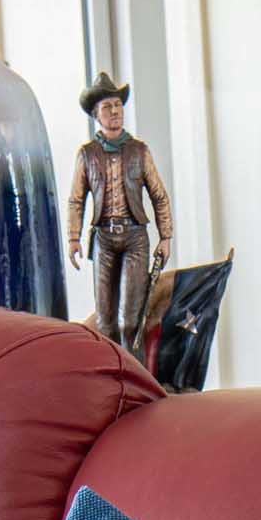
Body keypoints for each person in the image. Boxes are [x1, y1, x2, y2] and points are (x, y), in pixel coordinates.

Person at [67, 71, 172, 346]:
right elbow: (76, 199)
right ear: (96, 115)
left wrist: (166, 237)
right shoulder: (87, 155)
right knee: (105, 322)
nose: (114, 111)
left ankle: (134, 376)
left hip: (135, 236)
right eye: (107, 107)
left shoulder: (140, 151)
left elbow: (159, 196)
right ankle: (110, 380)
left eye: (117, 105)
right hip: (103, 237)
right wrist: (74, 237)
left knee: (130, 321)